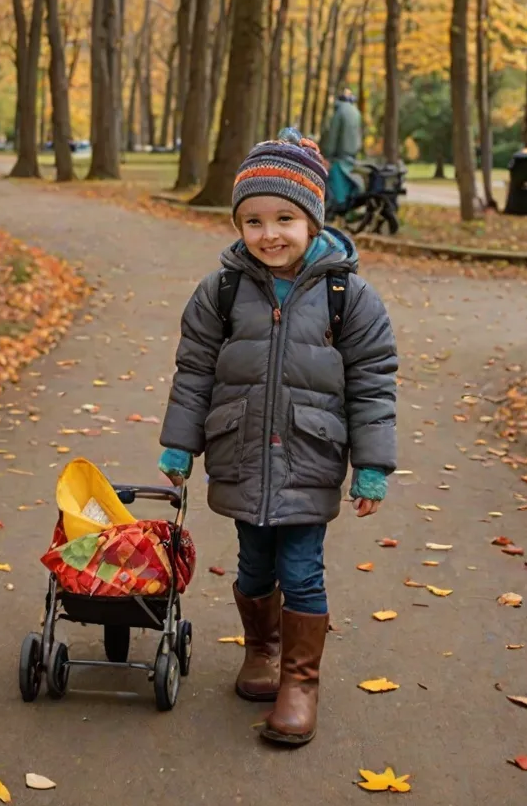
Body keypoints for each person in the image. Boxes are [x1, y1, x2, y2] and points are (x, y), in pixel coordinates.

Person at [157, 128, 398, 747]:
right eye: (254, 220)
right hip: (241, 454)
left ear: (313, 218)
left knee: (303, 569)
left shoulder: (349, 296)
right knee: (253, 562)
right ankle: (261, 653)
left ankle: (299, 683)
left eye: (285, 218)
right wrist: (180, 444)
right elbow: (195, 372)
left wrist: (372, 466)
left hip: (311, 457)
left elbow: (373, 385)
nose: (270, 234)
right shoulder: (223, 291)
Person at [319, 88, 363, 213]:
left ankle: (337, 206)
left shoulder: (339, 113)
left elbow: (333, 136)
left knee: (334, 180)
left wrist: (327, 154)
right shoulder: (356, 112)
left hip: (340, 156)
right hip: (352, 154)